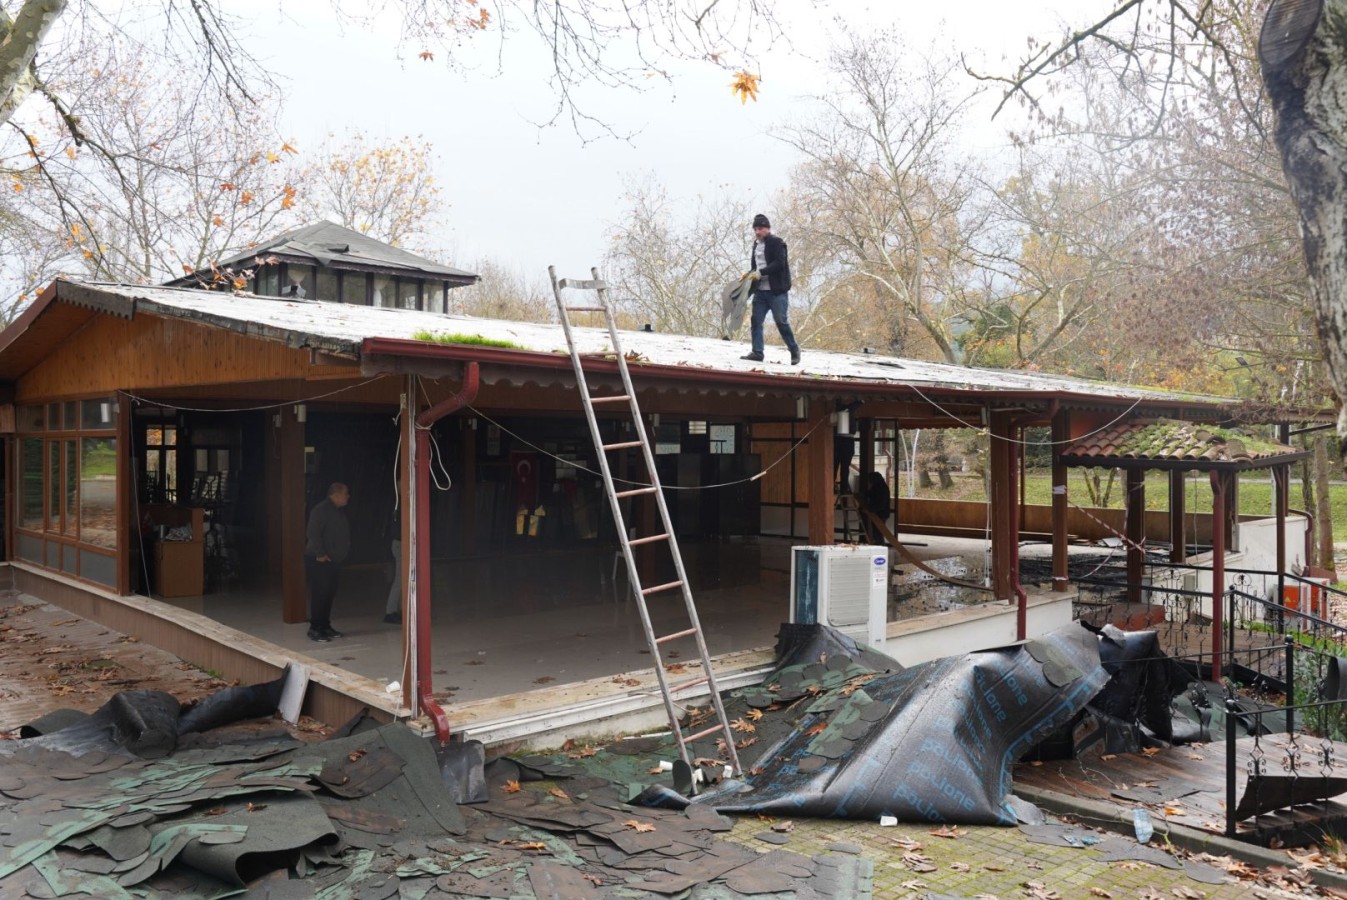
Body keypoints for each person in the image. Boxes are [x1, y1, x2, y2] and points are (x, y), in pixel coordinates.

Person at [741, 213, 802, 366]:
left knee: (781, 321)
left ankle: (794, 349)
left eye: (760, 228)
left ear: (768, 228)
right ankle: (757, 352)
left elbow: (779, 263)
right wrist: (749, 274)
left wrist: (761, 272)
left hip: (776, 291)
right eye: (755, 229)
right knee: (756, 320)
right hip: (760, 291)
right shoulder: (756, 245)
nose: (757, 231)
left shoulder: (777, 242)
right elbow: (756, 267)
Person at [305, 482, 351, 642]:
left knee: (329, 593)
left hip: (333, 559)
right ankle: (315, 628)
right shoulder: (321, 510)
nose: (348, 496)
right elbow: (312, 532)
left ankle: (325, 625)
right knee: (320, 593)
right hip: (320, 559)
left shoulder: (338, 511)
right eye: (345, 493)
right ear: (335, 495)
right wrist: (320, 553)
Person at [860, 471, 892, 545]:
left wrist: (869, 510)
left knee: (878, 533)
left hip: (881, 513)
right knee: (876, 532)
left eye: (870, 479)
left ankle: (880, 546)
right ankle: (879, 546)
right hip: (878, 512)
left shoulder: (882, 488)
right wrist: (864, 494)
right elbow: (871, 494)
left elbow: (881, 504)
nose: (869, 482)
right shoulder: (878, 486)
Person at [384, 504, 403, 625]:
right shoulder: (398, 506)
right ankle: (390, 612)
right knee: (399, 580)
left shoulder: (398, 506)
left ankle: (396, 609)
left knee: (401, 580)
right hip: (400, 543)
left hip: (399, 543)